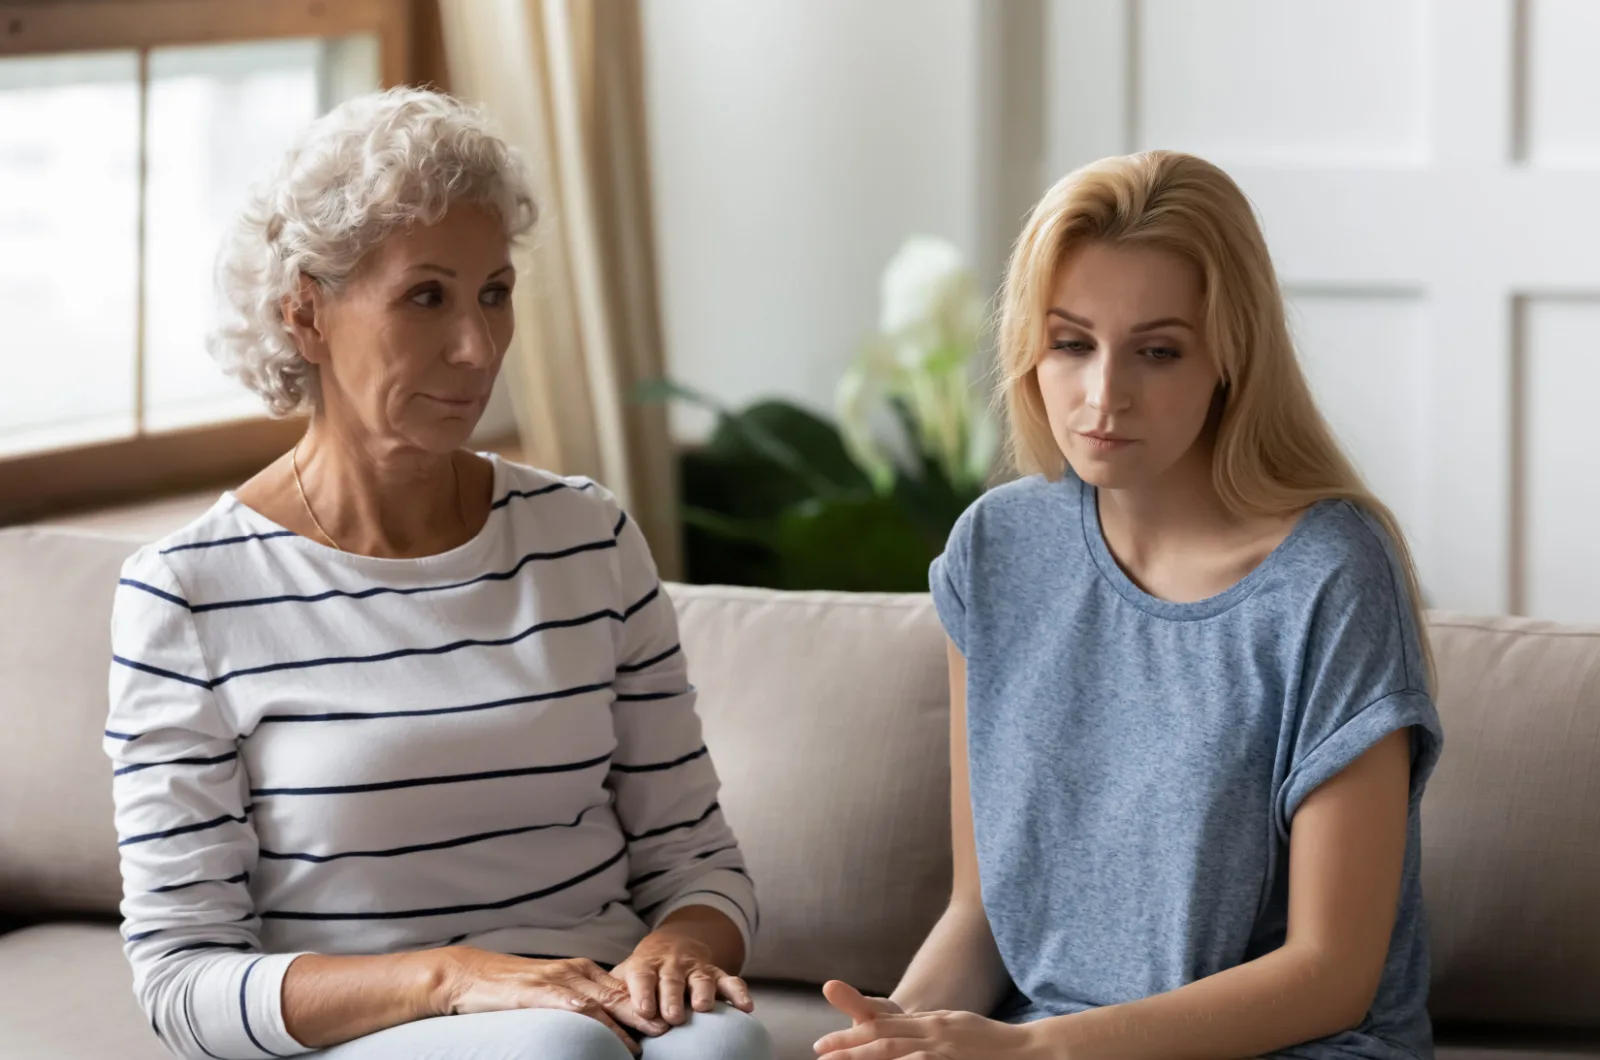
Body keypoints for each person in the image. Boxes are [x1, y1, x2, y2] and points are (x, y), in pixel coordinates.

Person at [104, 87, 773, 1060]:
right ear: (306, 313)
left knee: (723, 1049)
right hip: (379, 1028)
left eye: (493, 293)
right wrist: (451, 975)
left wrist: (679, 942)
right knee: (556, 1052)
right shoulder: (189, 593)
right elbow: (180, 975)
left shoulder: (585, 535)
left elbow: (696, 858)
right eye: (427, 296)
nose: (477, 348)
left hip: (599, 1006)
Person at [815, 151, 1444, 1060]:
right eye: (1072, 343)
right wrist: (895, 1036)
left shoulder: (1331, 576)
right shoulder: (997, 551)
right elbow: (983, 913)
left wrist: (1037, 1052)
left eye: (1157, 351)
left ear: (1231, 357)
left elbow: (1331, 973)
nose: (1104, 395)